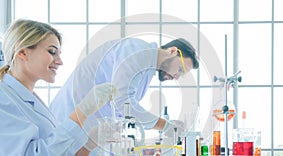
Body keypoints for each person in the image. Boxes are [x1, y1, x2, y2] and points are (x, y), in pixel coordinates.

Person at [0, 19, 118, 156]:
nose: (60, 61)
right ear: (22, 52)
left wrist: (89, 145)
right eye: (52, 52)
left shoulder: (30, 99)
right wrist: (80, 114)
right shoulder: (3, 98)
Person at [50, 37, 199, 147]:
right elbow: (122, 102)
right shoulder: (138, 50)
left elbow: (123, 112)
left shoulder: (146, 70)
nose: (176, 77)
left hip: (91, 135)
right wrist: (166, 126)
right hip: (70, 121)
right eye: (180, 69)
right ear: (172, 51)